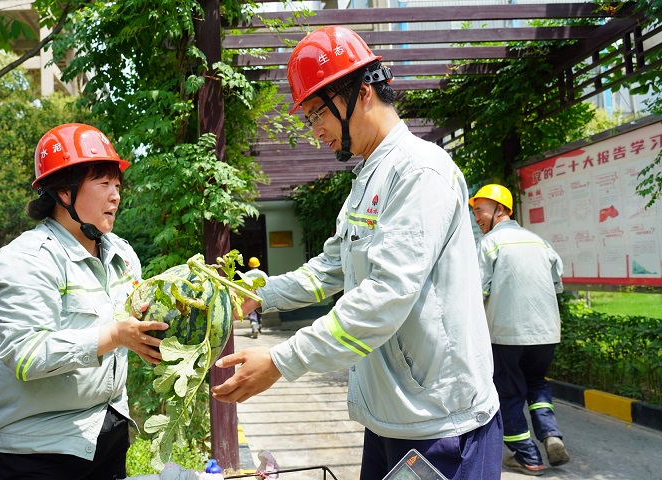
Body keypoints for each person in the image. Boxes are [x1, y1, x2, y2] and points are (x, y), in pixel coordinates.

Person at [211, 26, 502, 480]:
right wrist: (258, 294)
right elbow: (329, 269)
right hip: (388, 416)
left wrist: (281, 361)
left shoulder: (419, 171)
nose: (315, 132)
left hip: (439, 423)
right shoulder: (368, 180)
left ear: (361, 93)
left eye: (315, 115)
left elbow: (386, 295)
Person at [0, 123, 169, 480]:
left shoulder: (121, 255)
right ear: (64, 191)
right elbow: (27, 353)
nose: (116, 196)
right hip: (37, 448)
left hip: (104, 430)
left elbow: (129, 323)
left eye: (118, 186)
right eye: (103, 184)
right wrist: (116, 336)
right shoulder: (26, 261)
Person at [470, 184, 570, 476]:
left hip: (506, 335)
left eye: (480, 210)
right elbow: (556, 284)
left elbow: (478, 291)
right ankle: (550, 435)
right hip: (546, 334)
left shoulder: (490, 244)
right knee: (537, 383)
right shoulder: (540, 243)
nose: (476, 217)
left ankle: (528, 457)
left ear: (500, 210)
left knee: (509, 393)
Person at [245, 256, 269, 338]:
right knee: (259, 312)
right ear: (258, 264)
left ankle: (255, 328)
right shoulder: (262, 274)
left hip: (250, 296)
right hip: (260, 296)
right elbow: (267, 284)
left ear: (249, 265)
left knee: (252, 312)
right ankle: (259, 328)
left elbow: (243, 286)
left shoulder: (246, 274)